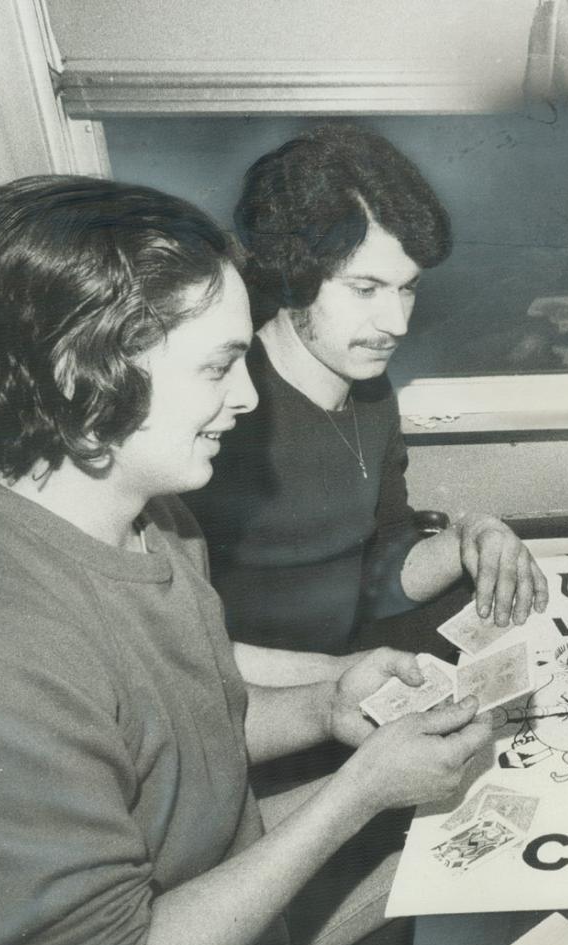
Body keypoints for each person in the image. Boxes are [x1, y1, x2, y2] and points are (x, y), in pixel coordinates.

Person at [0, 176, 568, 945]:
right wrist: (356, 791)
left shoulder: (151, 518)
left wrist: (330, 701)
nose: (248, 399)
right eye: (215, 367)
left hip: (215, 885)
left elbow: (184, 713)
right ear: (78, 370)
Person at [184, 122, 546, 666]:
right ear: (293, 275)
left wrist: (472, 535)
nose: (396, 323)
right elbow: (179, 649)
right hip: (261, 706)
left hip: (350, 669)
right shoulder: (222, 411)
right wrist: (334, 686)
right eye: (366, 289)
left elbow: (380, 570)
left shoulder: (371, 391)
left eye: (407, 289)